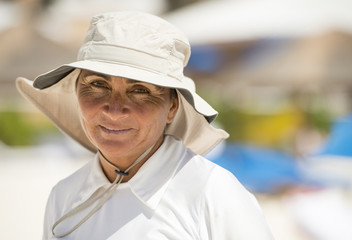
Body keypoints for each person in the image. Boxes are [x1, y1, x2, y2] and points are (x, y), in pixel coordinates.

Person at [16, 11, 274, 240]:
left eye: (139, 90)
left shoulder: (211, 192)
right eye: (98, 84)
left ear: (172, 106)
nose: (114, 109)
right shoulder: (65, 195)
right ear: (75, 91)